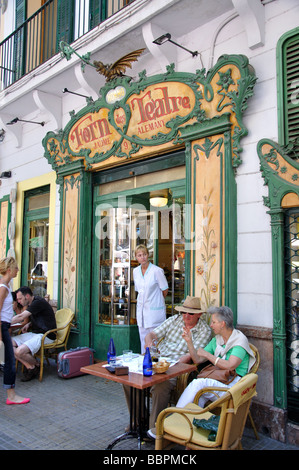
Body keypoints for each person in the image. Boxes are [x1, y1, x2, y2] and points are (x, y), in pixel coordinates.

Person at [123, 296, 212, 439]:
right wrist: (148, 344)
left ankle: (154, 428)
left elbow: (191, 356)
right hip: (157, 359)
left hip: (177, 366)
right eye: (184, 312)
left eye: (190, 313)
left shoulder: (204, 330)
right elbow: (152, 334)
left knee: (161, 386)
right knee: (129, 380)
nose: (186, 316)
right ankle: (139, 421)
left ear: (199, 314)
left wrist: (171, 364)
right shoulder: (174, 320)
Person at [176, 305, 256, 409]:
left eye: (214, 322)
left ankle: (177, 414)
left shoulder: (239, 341)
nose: (211, 325)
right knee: (197, 396)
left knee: (198, 384)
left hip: (235, 386)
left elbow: (230, 366)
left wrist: (208, 355)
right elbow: (197, 359)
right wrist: (189, 342)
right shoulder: (217, 340)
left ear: (222, 324)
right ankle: (190, 422)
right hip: (220, 379)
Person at [0, 257, 30, 405]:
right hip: (2, 327)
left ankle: (11, 395)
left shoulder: (6, 285)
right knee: (10, 362)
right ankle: (11, 396)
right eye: (16, 268)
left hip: (5, 326)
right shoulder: (3, 287)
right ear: (10, 270)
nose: (18, 270)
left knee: (9, 361)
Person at [11, 286, 56, 381]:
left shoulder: (38, 302)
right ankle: (33, 366)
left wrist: (5, 322)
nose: (18, 301)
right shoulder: (33, 303)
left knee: (19, 351)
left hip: (46, 335)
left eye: (19, 299)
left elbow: (21, 316)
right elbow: (43, 317)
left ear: (27, 296)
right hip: (36, 333)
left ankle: (34, 365)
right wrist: (30, 323)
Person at [133, 244, 169, 353]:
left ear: (148, 255)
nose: (142, 257)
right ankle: (145, 364)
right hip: (142, 313)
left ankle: (157, 365)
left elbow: (165, 290)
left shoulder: (156, 271)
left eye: (144, 254)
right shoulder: (135, 271)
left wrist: (156, 302)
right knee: (144, 342)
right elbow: (139, 291)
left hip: (155, 313)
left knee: (156, 343)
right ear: (136, 257)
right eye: (139, 255)